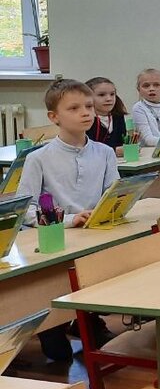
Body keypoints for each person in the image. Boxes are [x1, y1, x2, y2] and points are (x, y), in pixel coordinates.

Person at [17, 79, 120, 361]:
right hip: (54, 241)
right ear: (54, 117)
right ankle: (52, 326)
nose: (85, 112)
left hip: (92, 236)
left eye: (88, 106)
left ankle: (88, 321)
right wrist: (70, 220)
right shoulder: (38, 158)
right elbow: (26, 210)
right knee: (58, 352)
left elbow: (113, 195)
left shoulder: (105, 152)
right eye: (74, 108)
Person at [130, 68, 160, 147]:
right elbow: (148, 140)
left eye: (156, 85)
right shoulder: (138, 108)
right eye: (146, 86)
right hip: (150, 151)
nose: (151, 89)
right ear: (138, 89)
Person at [85, 76, 129, 153]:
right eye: (101, 95)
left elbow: (121, 142)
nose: (109, 99)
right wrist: (114, 150)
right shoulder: (85, 119)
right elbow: (86, 148)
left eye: (112, 94)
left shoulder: (118, 116)